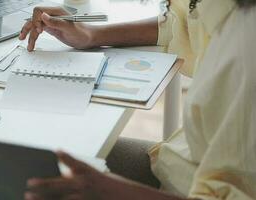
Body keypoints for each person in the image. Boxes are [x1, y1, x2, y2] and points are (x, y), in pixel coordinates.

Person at [20, 0, 256, 199]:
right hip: (182, 162)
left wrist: (113, 191)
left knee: (31, 172)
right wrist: (92, 35)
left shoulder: (245, 49)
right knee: (39, 162)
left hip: (185, 185)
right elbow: (182, 25)